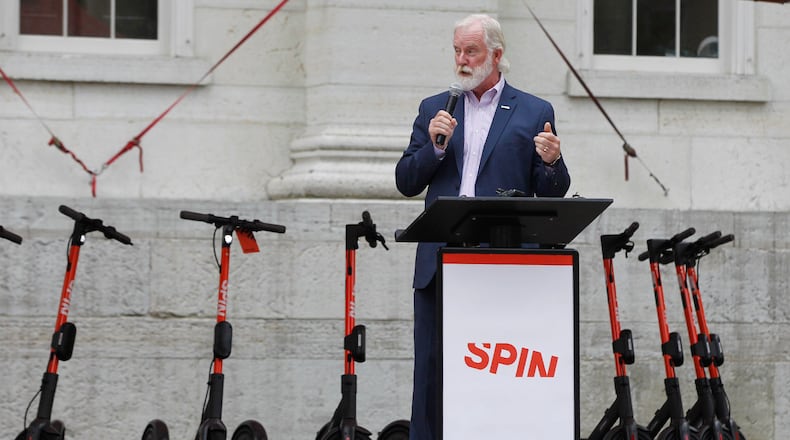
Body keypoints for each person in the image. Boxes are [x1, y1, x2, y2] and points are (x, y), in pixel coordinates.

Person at [394, 13, 571, 440]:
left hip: (501, 261)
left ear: (496, 55)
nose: (461, 60)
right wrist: (434, 150)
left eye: (470, 51)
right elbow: (405, 180)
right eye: (456, 50)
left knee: (498, 369)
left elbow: (552, 193)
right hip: (441, 258)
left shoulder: (534, 110)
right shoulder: (435, 107)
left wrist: (552, 162)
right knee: (433, 373)